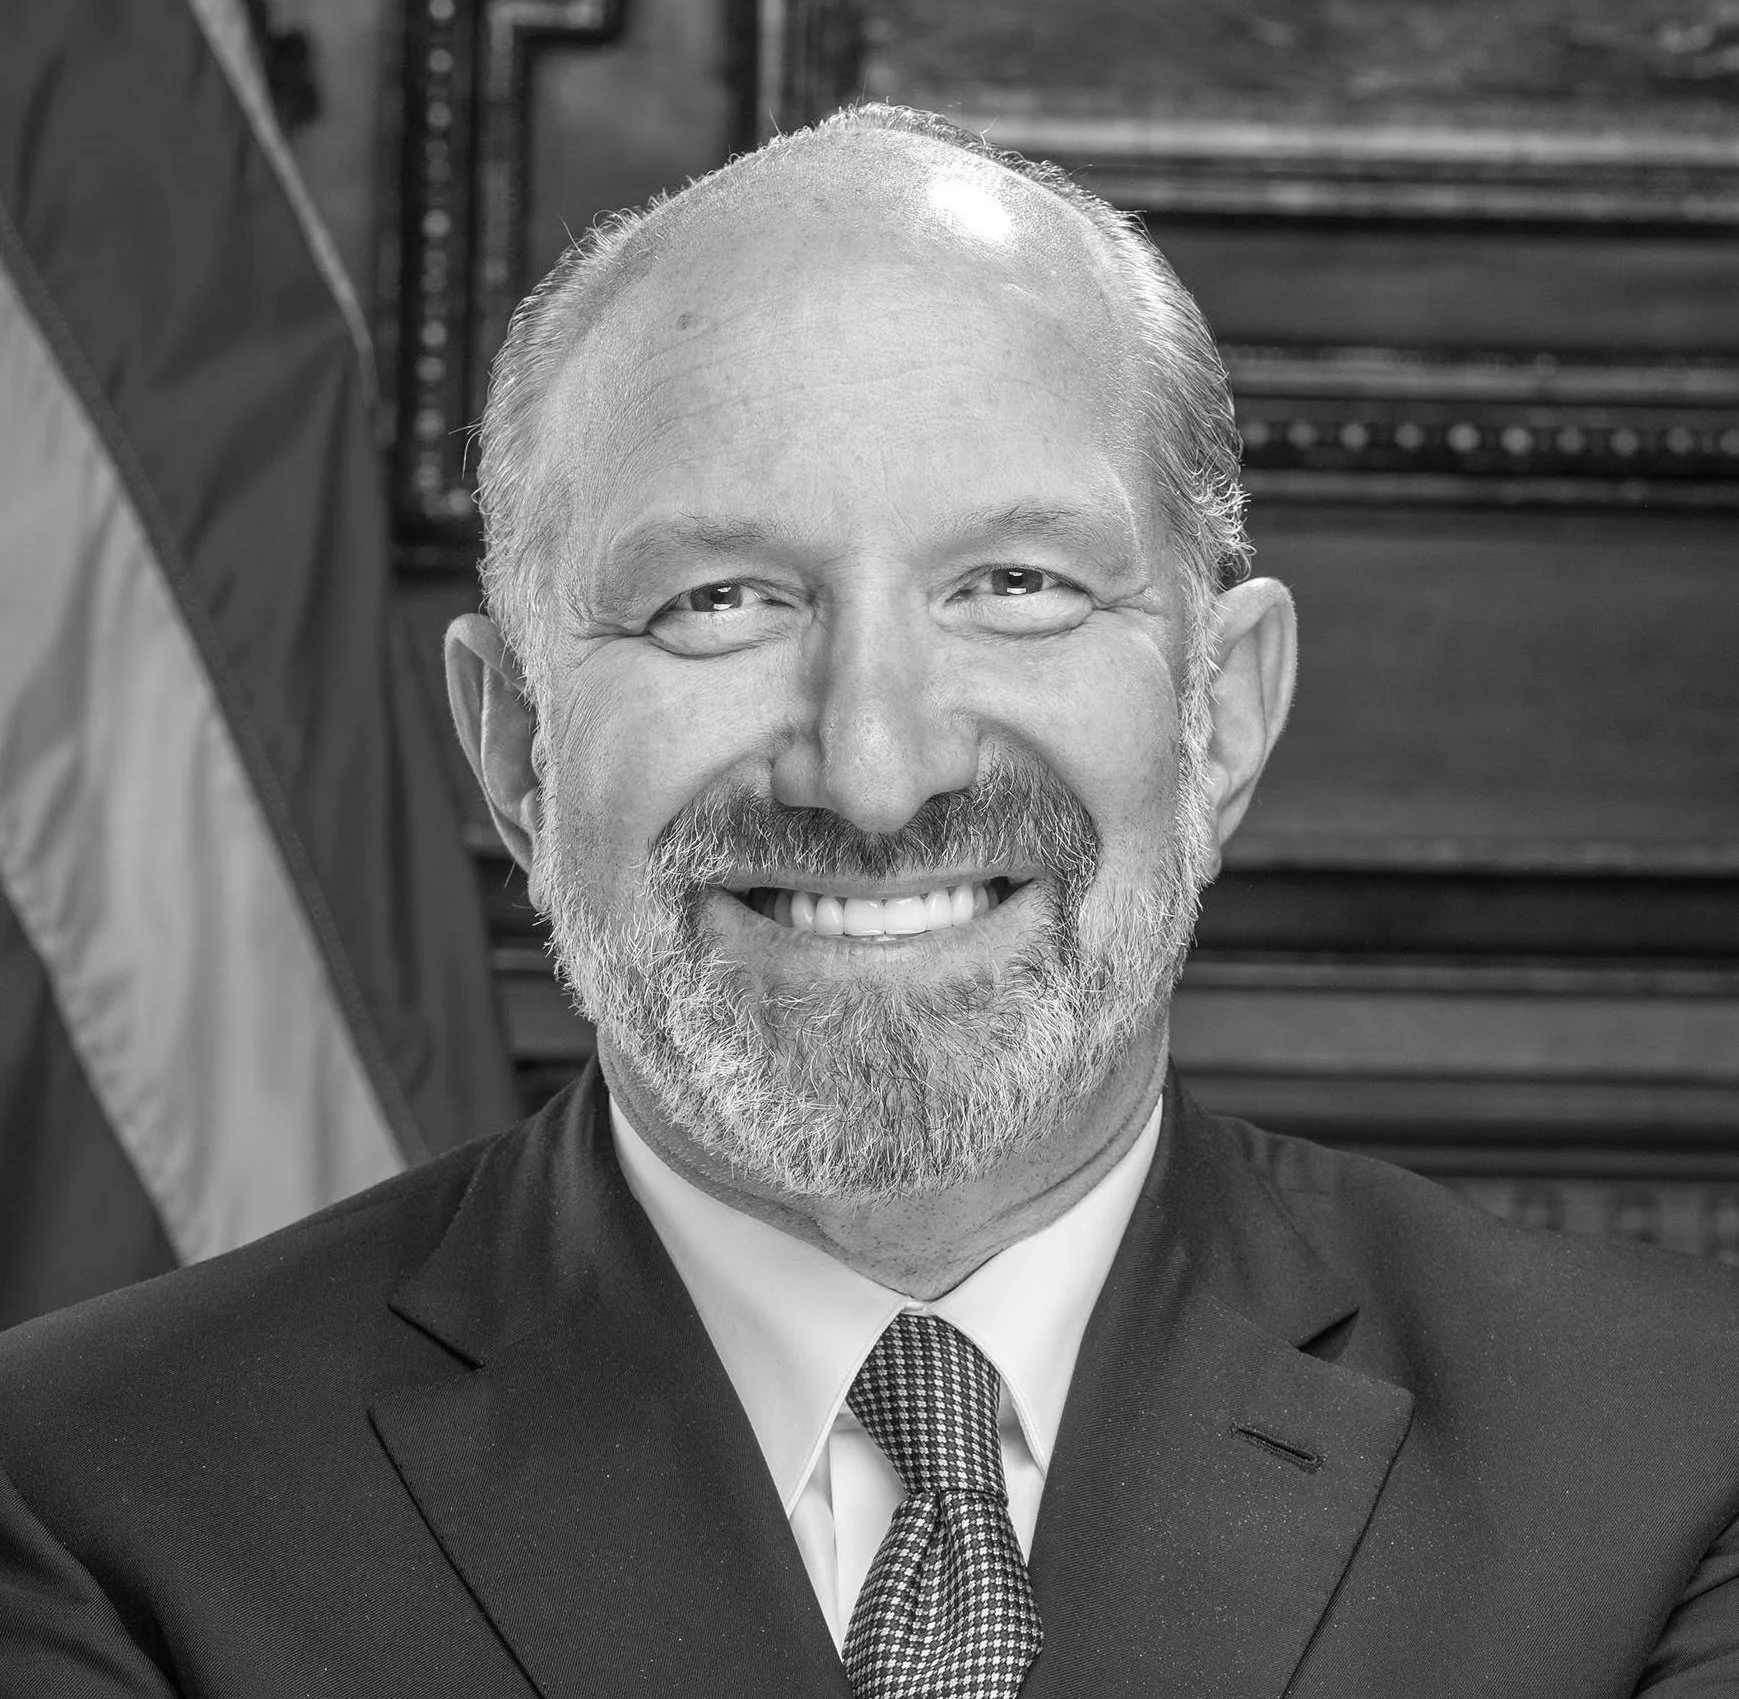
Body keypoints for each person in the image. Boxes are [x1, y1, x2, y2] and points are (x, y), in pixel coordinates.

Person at [2, 103, 1737, 1699]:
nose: (876, 770)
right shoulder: (89, 1493)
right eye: (721, 601)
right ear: (516, 745)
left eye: (1016, 585)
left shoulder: (1677, 1453)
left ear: (1219, 713)